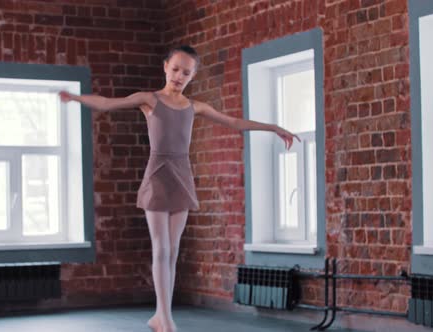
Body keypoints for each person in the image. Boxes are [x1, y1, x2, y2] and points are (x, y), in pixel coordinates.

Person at [59, 45, 299, 332]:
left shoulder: (194, 106)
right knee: (160, 248)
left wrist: (274, 127)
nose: (179, 76)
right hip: (158, 175)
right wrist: (74, 97)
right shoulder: (149, 99)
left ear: (193, 75)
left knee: (172, 250)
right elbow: (108, 103)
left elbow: (234, 122)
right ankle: (164, 316)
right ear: (165, 67)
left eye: (186, 72)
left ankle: (162, 314)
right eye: (175, 69)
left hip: (182, 176)